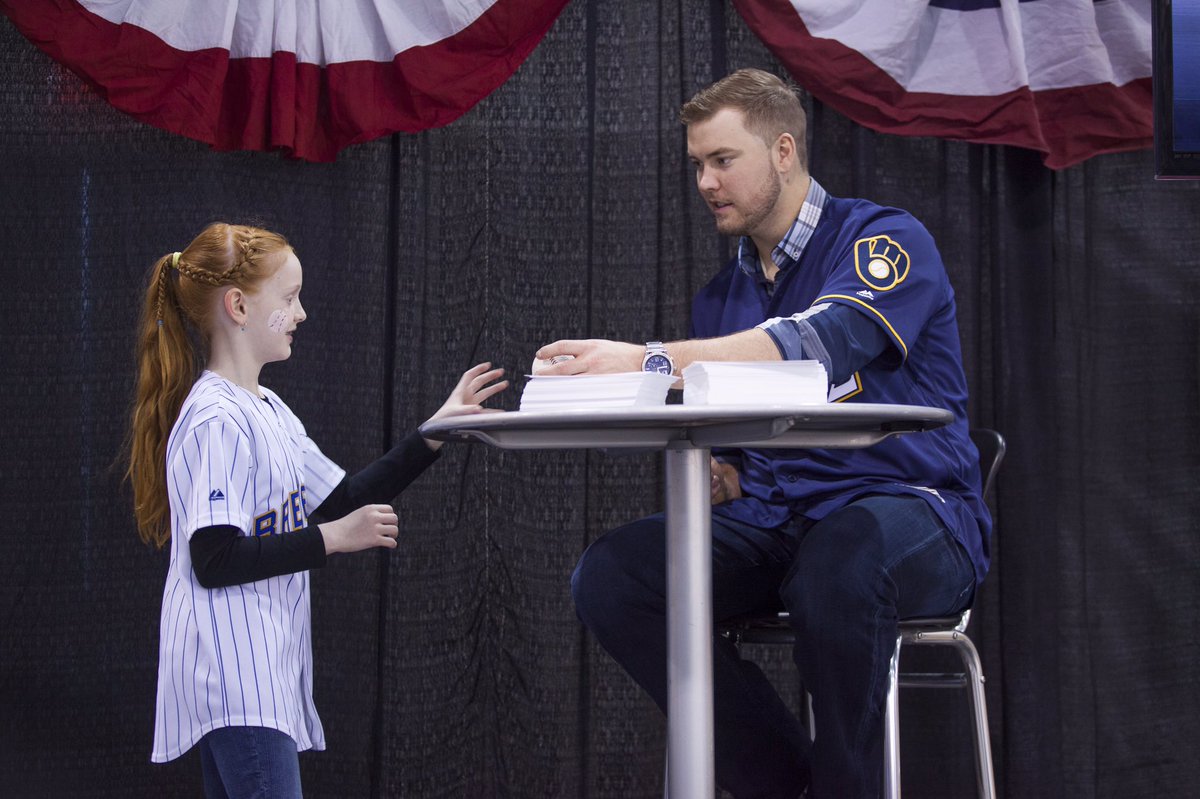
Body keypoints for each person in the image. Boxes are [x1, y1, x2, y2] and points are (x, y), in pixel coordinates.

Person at [534, 69, 991, 798]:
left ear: (783, 151)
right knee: (616, 576)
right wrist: (722, 473)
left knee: (842, 562)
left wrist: (648, 360)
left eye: (723, 160)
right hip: (785, 524)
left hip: (916, 514)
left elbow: (822, 342)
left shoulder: (883, 240)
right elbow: (747, 449)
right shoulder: (722, 298)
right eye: (697, 165)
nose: (707, 182)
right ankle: (784, 781)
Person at [125, 222, 507, 798]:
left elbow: (341, 498)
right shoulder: (215, 419)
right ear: (238, 306)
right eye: (289, 298)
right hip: (231, 679)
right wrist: (331, 539)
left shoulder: (269, 409)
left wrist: (436, 431)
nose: (300, 314)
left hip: (259, 673)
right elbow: (214, 557)